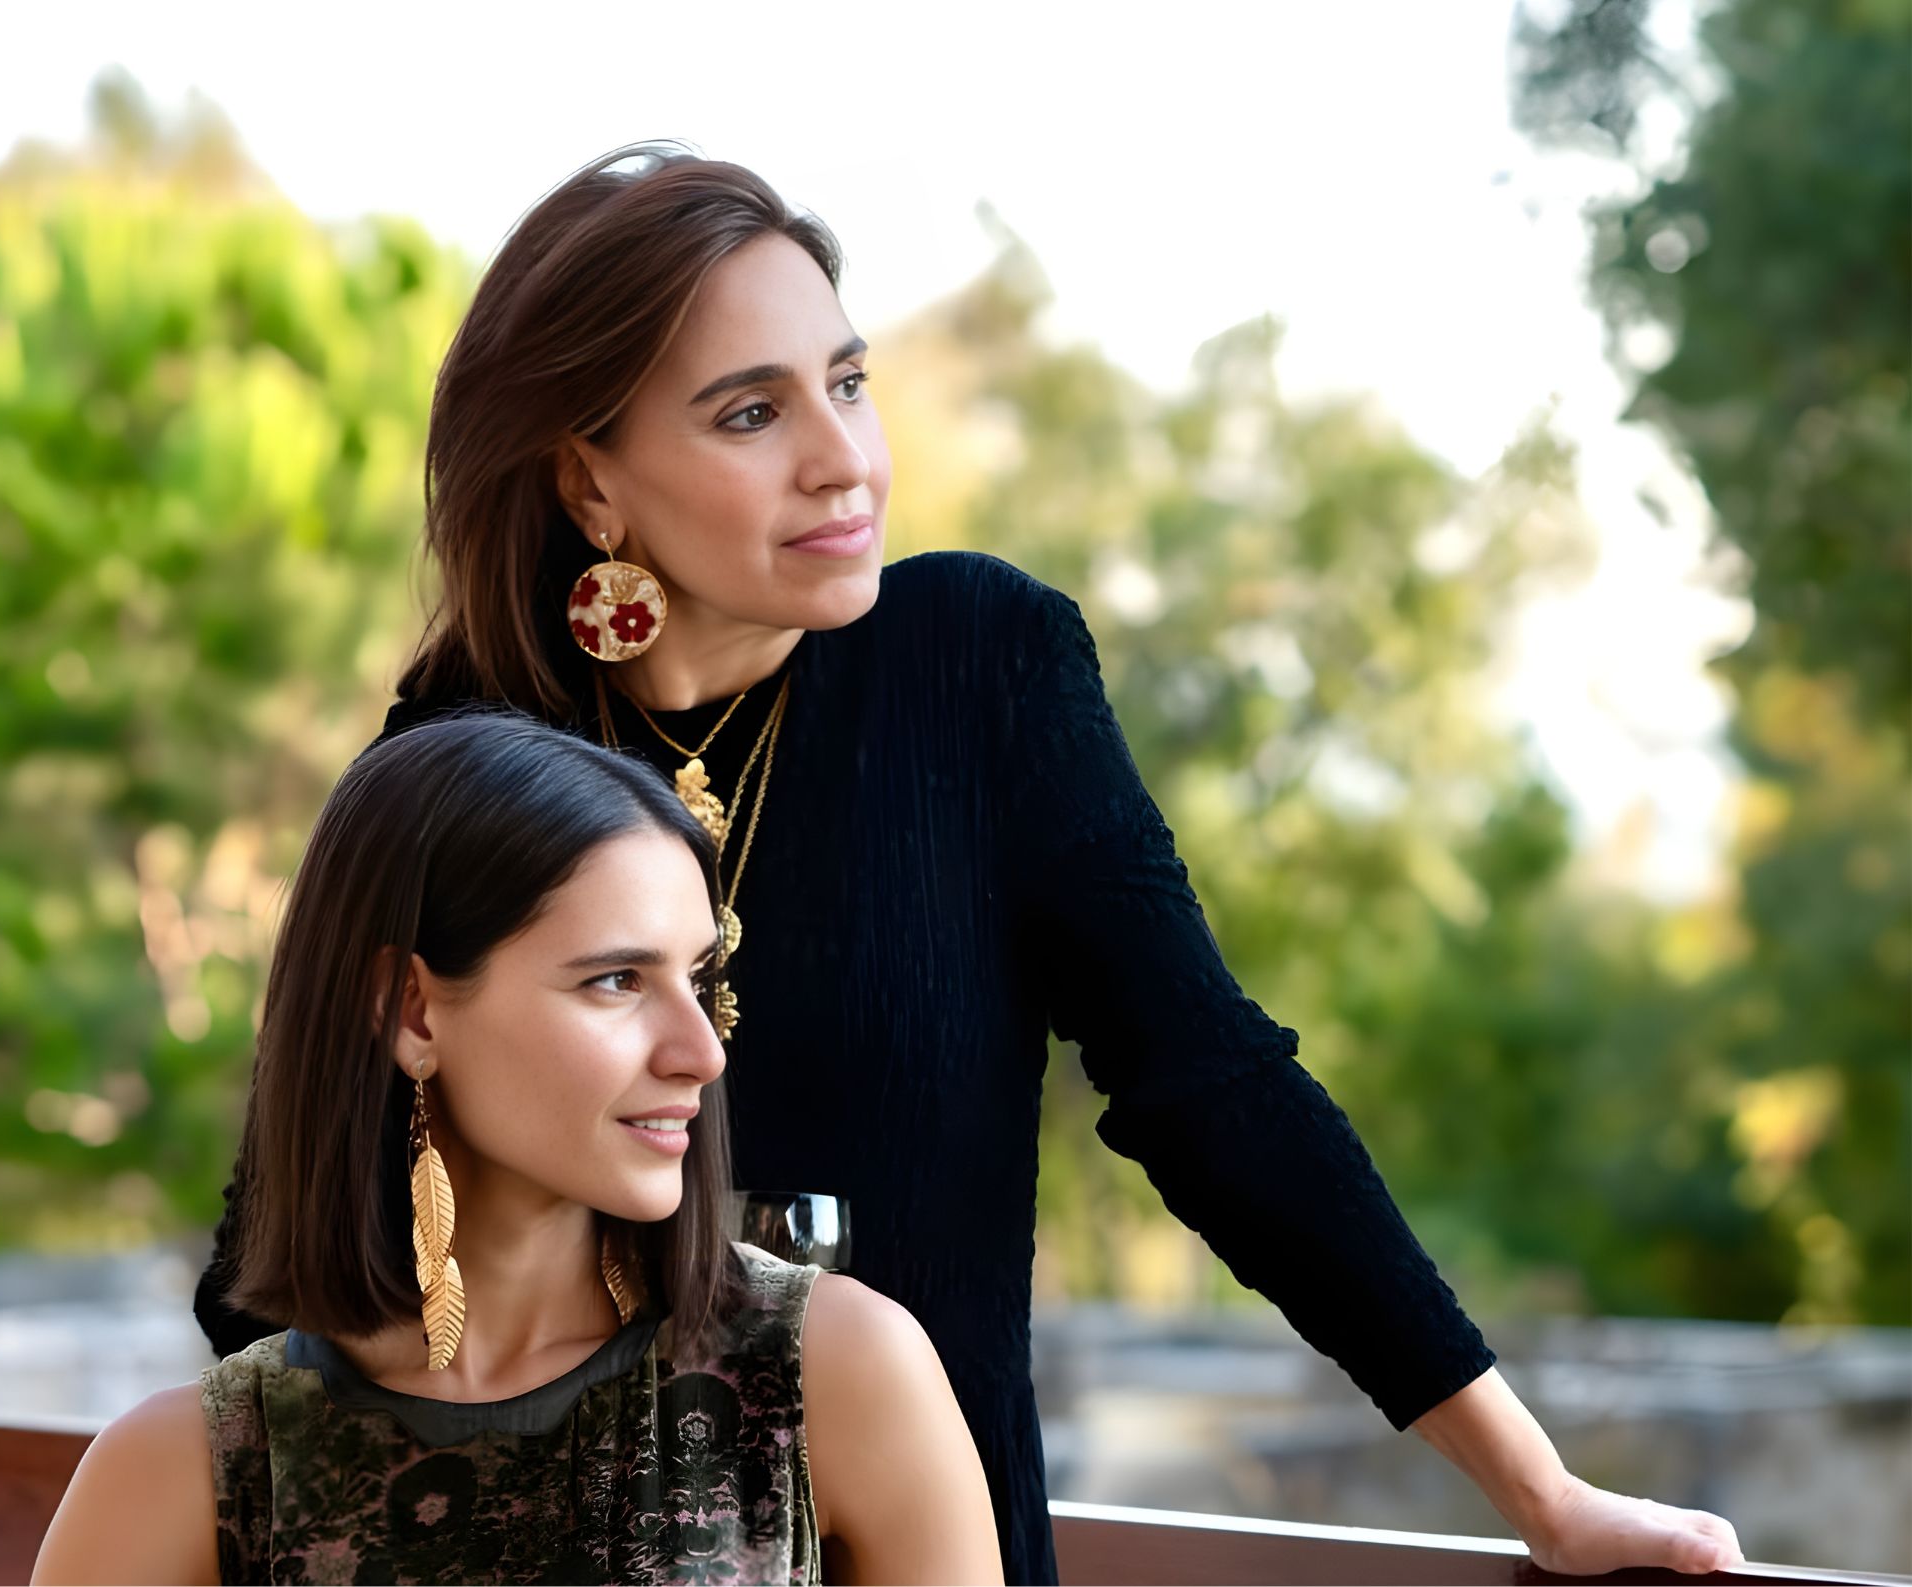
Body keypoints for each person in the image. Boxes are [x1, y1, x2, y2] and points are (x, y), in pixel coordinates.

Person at [196, 143, 1745, 1582]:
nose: (843, 460)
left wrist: (1540, 1489)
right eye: (750, 414)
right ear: (588, 481)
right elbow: (287, 1228)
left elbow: (1213, 1088)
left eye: (847, 382)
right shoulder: (462, 741)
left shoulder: (981, 661)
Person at [33, 712, 1002, 1584]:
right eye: (616, 980)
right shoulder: (185, 1474)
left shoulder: (833, 1375)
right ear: (411, 1011)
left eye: (699, 980)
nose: (701, 1052)